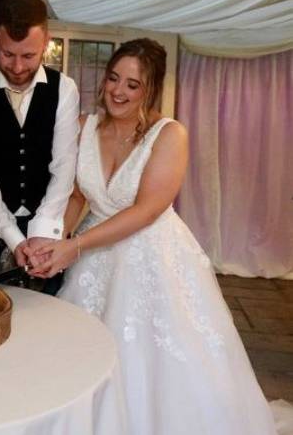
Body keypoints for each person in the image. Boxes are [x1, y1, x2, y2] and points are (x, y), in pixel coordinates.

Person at [29, 38, 277, 434]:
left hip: (151, 256)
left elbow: (146, 210)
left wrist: (73, 247)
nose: (118, 91)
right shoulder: (84, 127)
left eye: (132, 84)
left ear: (150, 89)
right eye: (114, 78)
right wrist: (56, 240)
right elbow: (77, 194)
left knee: (151, 358)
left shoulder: (169, 135)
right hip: (93, 253)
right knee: (85, 353)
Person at [0, 0, 80, 294]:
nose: (17, 67)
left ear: (45, 42)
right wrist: (14, 239)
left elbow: (64, 165)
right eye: (8, 54)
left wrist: (41, 233)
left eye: (28, 56)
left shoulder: (65, 90)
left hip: (48, 226)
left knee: (46, 316)